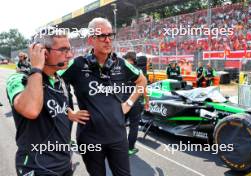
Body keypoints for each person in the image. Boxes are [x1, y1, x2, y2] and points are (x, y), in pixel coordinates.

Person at [58, 17, 147, 176]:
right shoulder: (77, 64)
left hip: (118, 137)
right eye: (102, 36)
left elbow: (142, 80)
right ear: (91, 40)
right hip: (89, 139)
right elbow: (52, 82)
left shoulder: (120, 63)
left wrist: (129, 103)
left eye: (110, 35)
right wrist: (68, 111)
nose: (107, 40)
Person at [6, 28, 89, 176]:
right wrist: (37, 67)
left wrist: (70, 113)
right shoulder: (18, 79)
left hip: (63, 163)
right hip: (36, 167)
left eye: (69, 49)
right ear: (43, 52)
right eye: (63, 50)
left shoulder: (59, 80)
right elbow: (31, 110)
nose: (69, 55)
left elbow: (54, 106)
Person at [123, 51, 143, 156]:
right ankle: (130, 148)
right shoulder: (139, 70)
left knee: (120, 125)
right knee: (134, 126)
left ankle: (118, 147)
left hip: (122, 101)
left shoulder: (120, 69)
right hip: (134, 101)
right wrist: (147, 101)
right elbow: (143, 87)